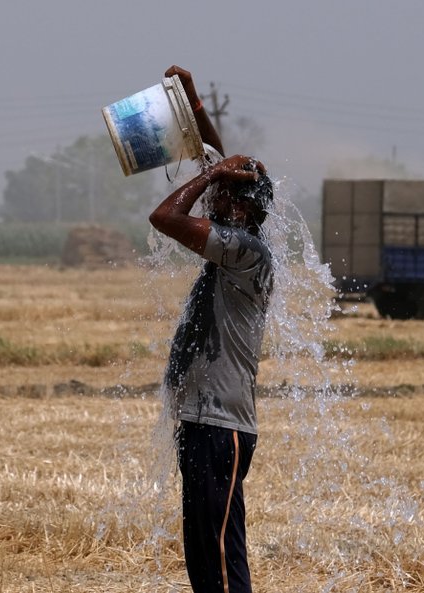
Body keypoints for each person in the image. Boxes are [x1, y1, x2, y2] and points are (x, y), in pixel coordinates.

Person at [149, 65, 274, 593]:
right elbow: (220, 163)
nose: (212, 200)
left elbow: (165, 217)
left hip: (221, 429)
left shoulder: (244, 251)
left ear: (244, 211)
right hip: (204, 424)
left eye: (224, 196)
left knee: (222, 564)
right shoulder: (238, 242)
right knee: (205, 564)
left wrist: (211, 176)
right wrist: (194, 104)